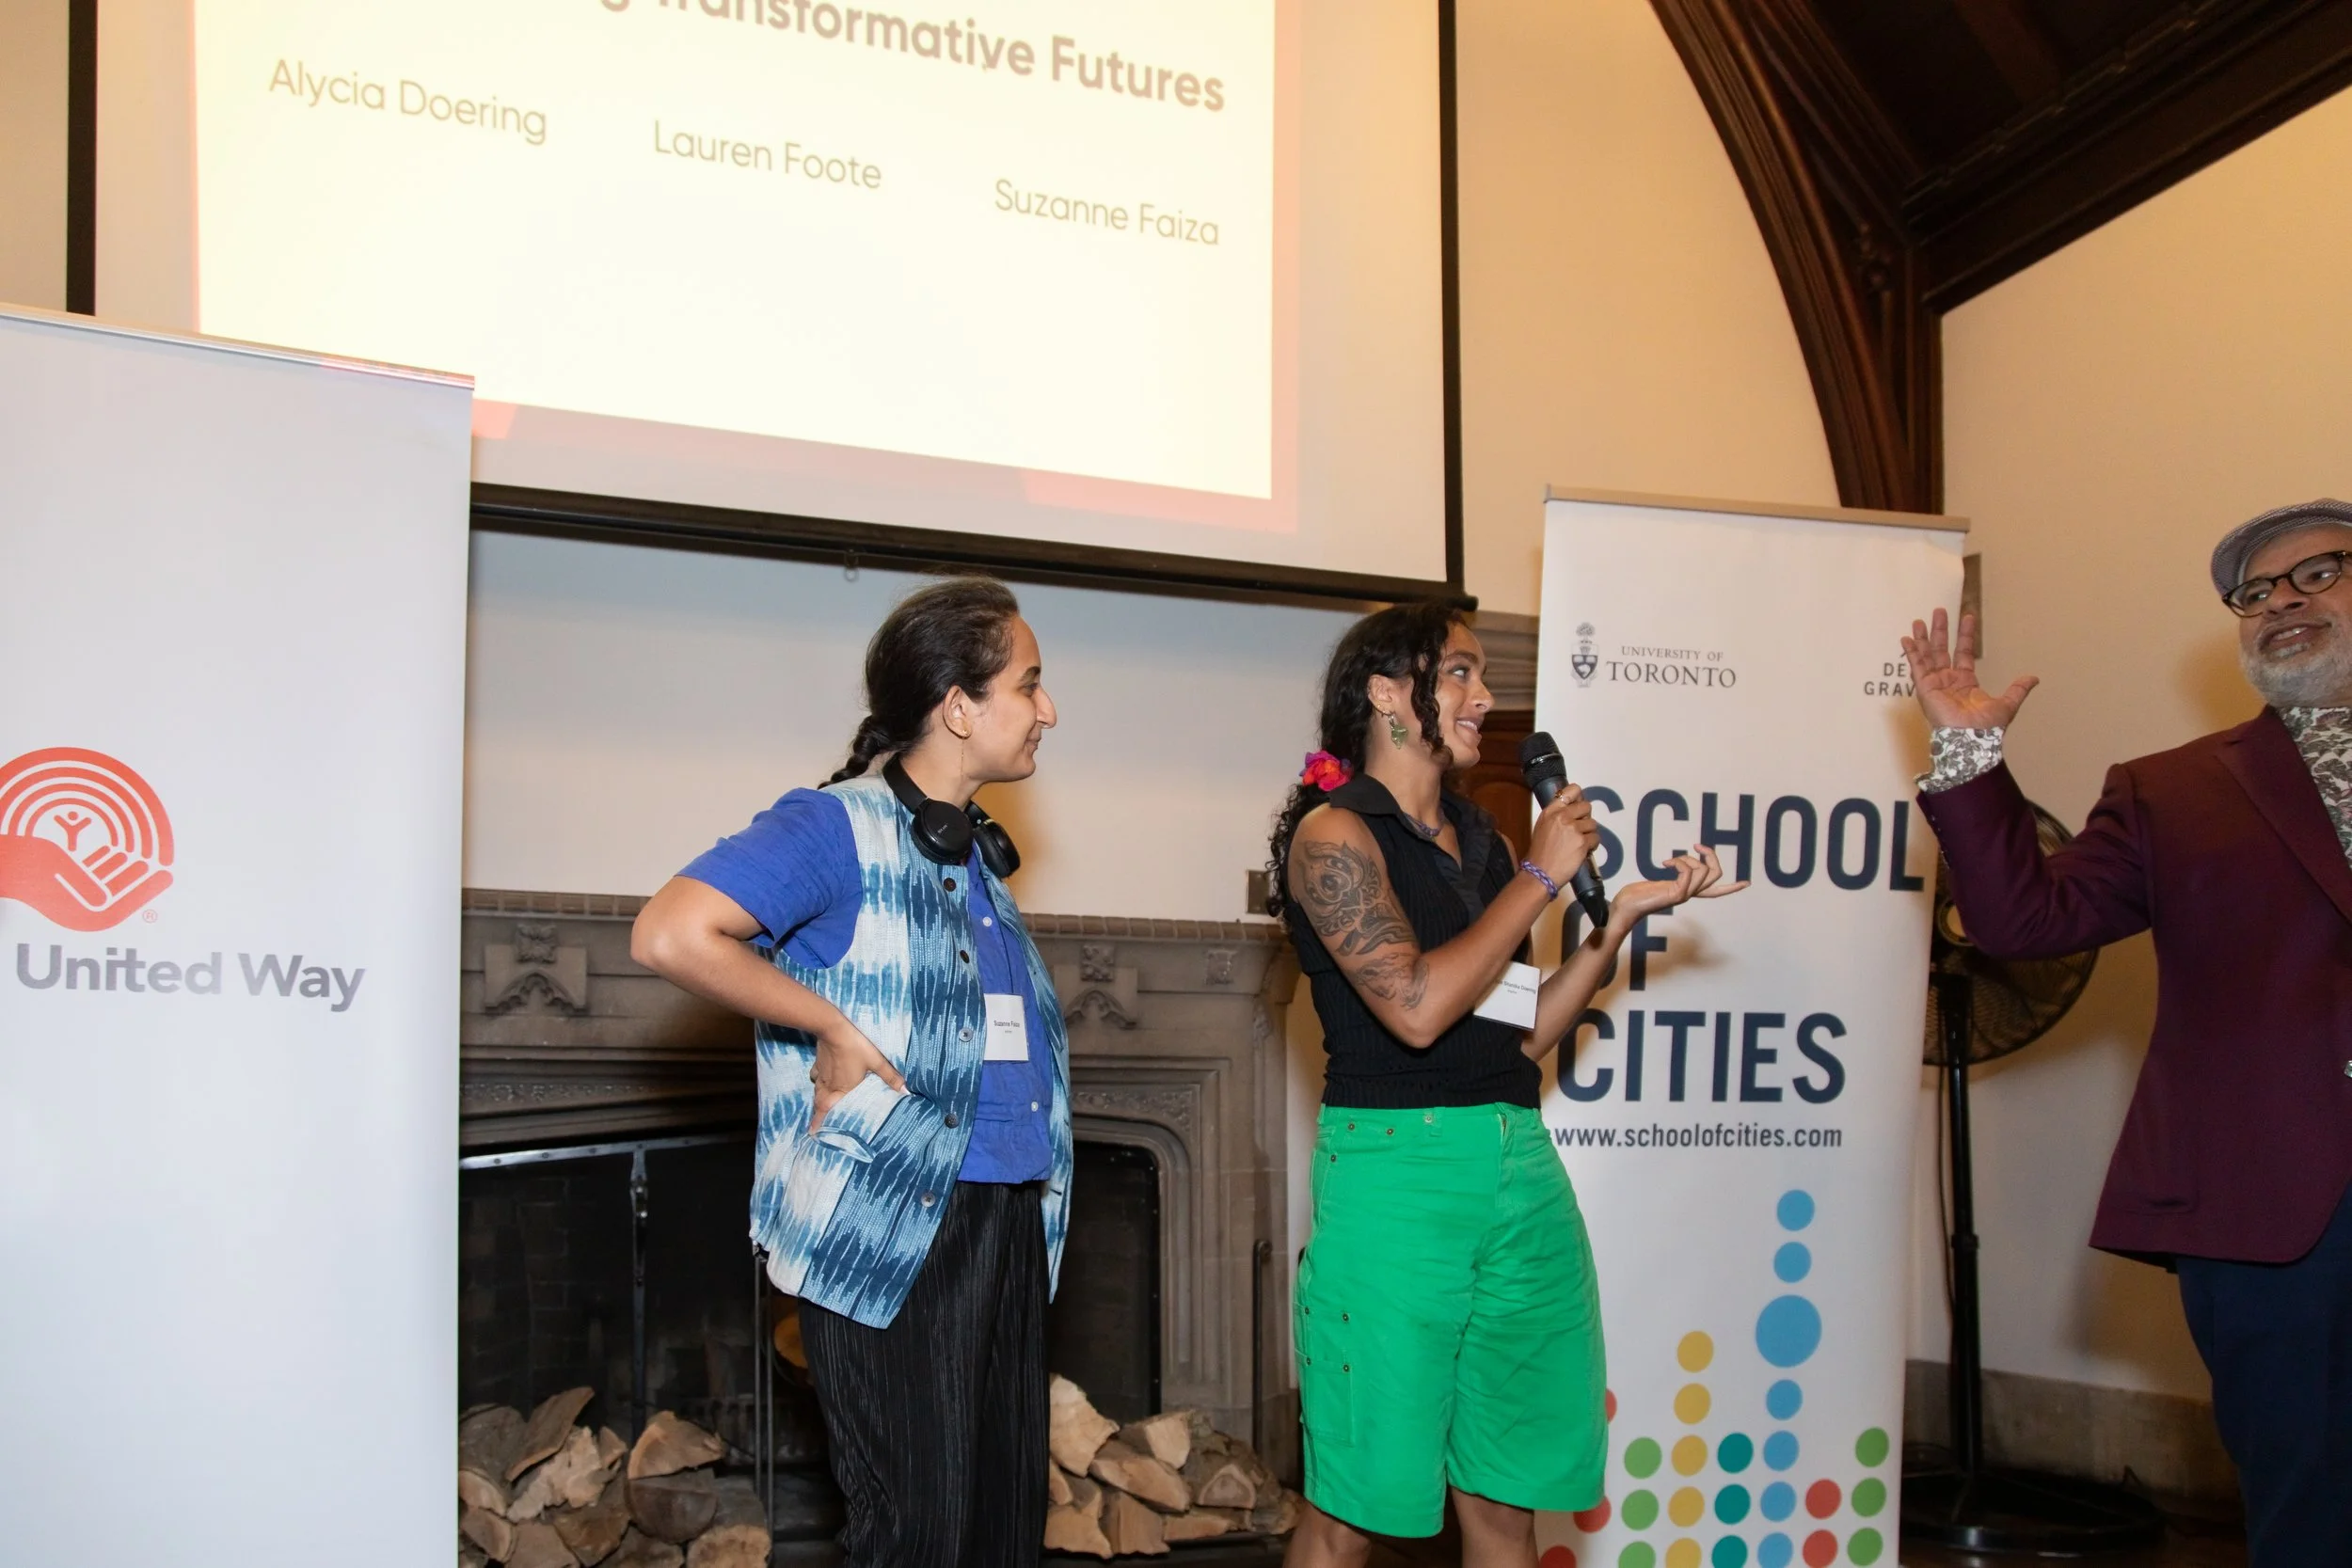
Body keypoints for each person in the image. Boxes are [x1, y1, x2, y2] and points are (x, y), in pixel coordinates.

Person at [1901, 499, 2352, 1565]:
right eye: (2253, 594)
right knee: (2313, 1508)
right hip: (2281, 1214)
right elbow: (2022, 922)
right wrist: (1967, 748)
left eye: (2316, 574)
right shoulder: (2176, 788)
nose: (2279, 602)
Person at [1271, 602, 1745, 1568]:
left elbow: (1517, 1034)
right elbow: (1411, 1005)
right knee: (1354, 1503)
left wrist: (1611, 930)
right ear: (1385, 695)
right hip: (1396, 1178)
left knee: (1506, 1488)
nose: (1483, 696)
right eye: (1457, 672)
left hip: (1519, 1166)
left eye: (1477, 675)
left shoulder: (1481, 842)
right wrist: (1541, 873)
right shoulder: (1332, 835)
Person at [630, 576, 1067, 1568]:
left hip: (1002, 1219)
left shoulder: (976, 858)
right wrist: (825, 1020)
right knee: (919, 1538)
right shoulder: (834, 826)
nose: (1048, 708)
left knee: (999, 1538)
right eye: (1029, 684)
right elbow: (669, 931)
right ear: (959, 705)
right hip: (897, 1229)